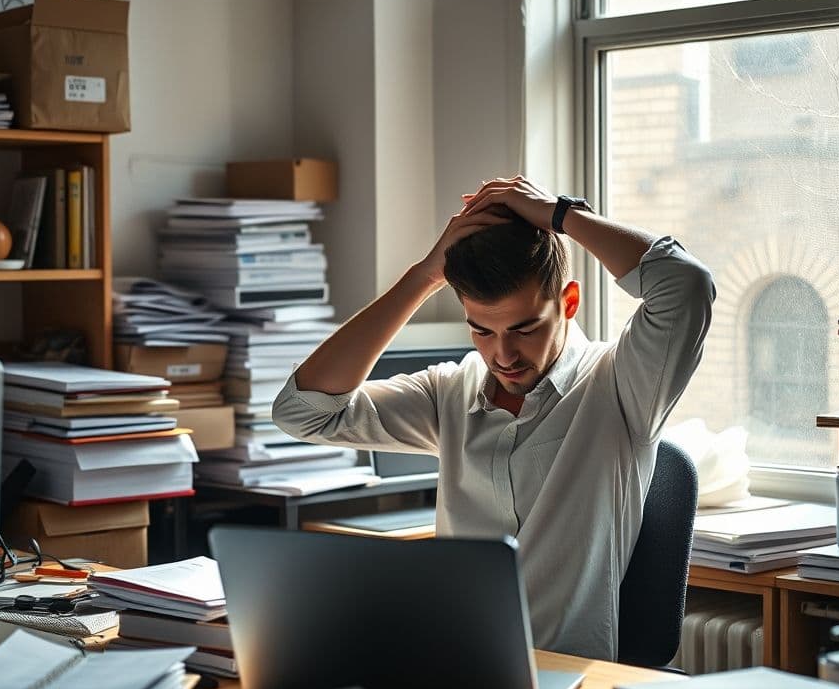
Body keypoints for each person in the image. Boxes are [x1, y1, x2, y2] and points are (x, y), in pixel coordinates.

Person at [272, 175, 715, 659]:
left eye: (524, 329)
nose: (503, 355)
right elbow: (302, 412)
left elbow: (686, 284)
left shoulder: (621, 385)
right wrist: (424, 276)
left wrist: (561, 215)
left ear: (568, 303)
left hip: (565, 675)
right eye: (481, 331)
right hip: (448, 665)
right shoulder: (451, 391)